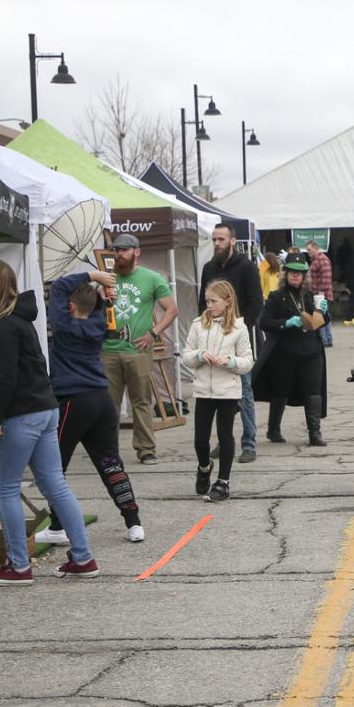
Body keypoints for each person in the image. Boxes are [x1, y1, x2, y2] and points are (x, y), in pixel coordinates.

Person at [0, 259, 97, 586]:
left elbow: (3, 380)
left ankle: (18, 565)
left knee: (5, 486)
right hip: (45, 409)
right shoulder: (21, 320)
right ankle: (83, 557)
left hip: (22, 414)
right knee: (55, 484)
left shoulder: (0, 326)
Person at [38, 268, 145, 545]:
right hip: (102, 401)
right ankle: (133, 523)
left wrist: (93, 275)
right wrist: (104, 296)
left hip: (73, 402)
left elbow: (60, 287)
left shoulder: (64, 326)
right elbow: (98, 310)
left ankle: (58, 526)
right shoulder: (99, 324)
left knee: (54, 466)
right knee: (111, 464)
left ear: (70, 307)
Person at [102, 234, 177, 466]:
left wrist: (153, 333)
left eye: (123, 250)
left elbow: (172, 309)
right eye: (115, 250)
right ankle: (108, 452)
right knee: (107, 405)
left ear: (137, 252)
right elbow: (87, 306)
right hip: (108, 348)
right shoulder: (106, 278)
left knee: (141, 401)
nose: (118, 255)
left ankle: (146, 449)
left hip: (137, 348)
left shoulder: (151, 278)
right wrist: (100, 295)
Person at [183, 280, 254, 502]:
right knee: (200, 439)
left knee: (225, 436)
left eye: (214, 301)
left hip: (228, 392)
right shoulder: (198, 324)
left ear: (227, 301)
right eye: (207, 301)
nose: (210, 305)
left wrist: (230, 361)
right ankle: (204, 467)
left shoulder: (239, 328)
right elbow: (186, 356)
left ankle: (223, 482)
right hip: (204, 390)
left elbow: (247, 361)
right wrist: (199, 355)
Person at [200, 224, 264, 465]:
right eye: (214, 239)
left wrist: (237, 329)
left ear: (232, 241)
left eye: (221, 239)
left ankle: (249, 444)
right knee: (219, 394)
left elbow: (256, 303)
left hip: (239, 338)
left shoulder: (246, 267)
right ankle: (223, 441)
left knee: (244, 392)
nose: (216, 243)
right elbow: (202, 303)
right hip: (214, 338)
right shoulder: (209, 268)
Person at [254, 252, 330, 448]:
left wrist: (324, 312)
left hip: (311, 351)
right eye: (292, 272)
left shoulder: (311, 296)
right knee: (280, 391)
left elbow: (321, 323)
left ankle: (315, 433)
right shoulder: (276, 297)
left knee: (313, 392)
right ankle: (273, 429)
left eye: (300, 273)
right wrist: (286, 323)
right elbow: (264, 322)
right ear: (285, 274)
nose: (296, 276)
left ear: (305, 276)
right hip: (284, 353)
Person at [303, 239, 334, 348]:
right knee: (324, 316)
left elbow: (326, 278)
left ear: (316, 248)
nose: (308, 252)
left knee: (320, 317)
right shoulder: (316, 260)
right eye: (307, 250)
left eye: (309, 250)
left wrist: (321, 295)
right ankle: (327, 340)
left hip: (320, 294)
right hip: (318, 294)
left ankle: (324, 340)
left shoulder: (322, 260)